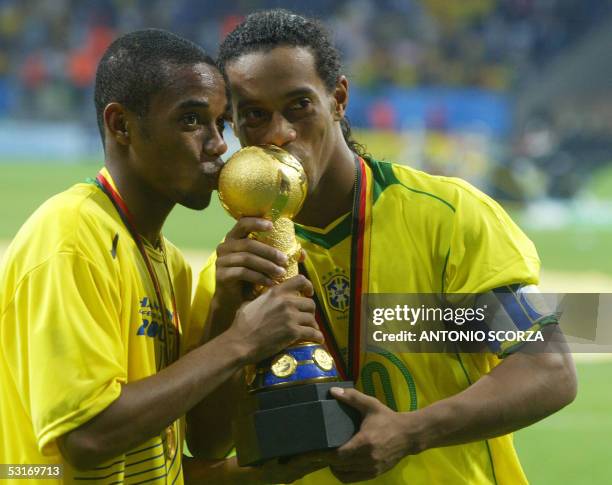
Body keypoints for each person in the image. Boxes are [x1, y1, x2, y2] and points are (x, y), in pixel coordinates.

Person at [190, 10, 578, 484]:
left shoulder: (445, 216)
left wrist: (410, 432)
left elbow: (549, 369)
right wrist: (227, 317)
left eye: (299, 106)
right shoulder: (237, 268)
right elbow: (207, 445)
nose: (279, 133)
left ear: (338, 99)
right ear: (232, 124)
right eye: (254, 115)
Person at [0, 28, 326, 485]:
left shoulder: (170, 263)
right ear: (122, 125)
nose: (217, 145)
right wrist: (240, 343)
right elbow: (87, 439)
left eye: (220, 124)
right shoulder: (71, 236)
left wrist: (225, 312)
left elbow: (190, 449)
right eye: (192, 121)